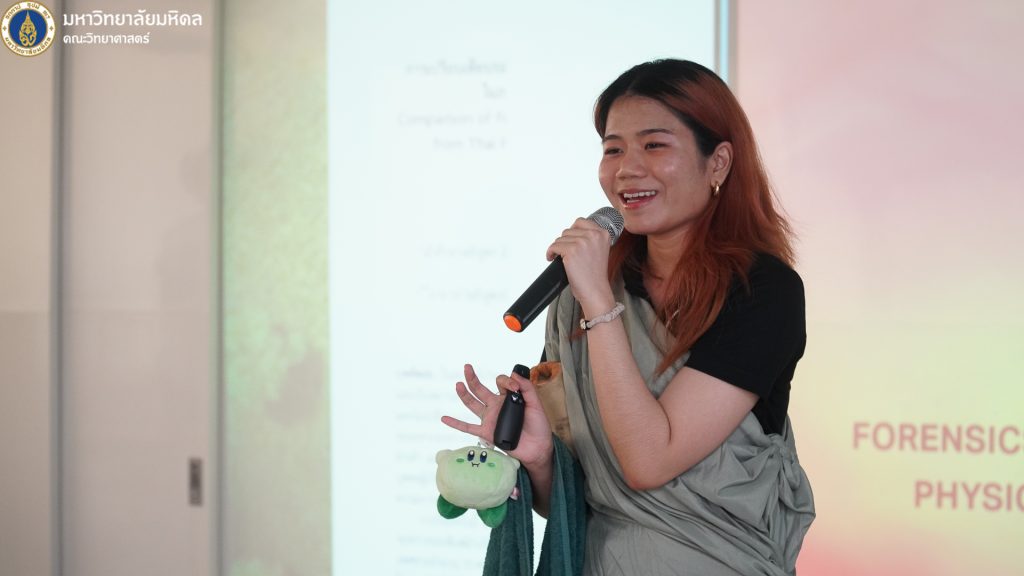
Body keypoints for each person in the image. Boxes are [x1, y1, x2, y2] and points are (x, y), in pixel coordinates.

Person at [442, 59, 814, 576]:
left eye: (654, 145)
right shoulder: (580, 293)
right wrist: (541, 458)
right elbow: (570, 502)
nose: (626, 169)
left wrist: (599, 303)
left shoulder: (763, 291)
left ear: (719, 162)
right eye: (613, 149)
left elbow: (648, 461)